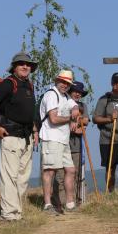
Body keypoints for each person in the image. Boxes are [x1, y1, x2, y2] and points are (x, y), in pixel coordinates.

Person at [0, 52, 38, 221]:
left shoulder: (29, 85)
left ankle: (16, 212)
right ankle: (8, 214)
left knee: (22, 177)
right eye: (21, 63)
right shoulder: (8, 84)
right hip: (10, 135)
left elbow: (29, 112)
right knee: (9, 176)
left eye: (28, 64)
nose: (25, 66)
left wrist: (35, 131)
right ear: (14, 66)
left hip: (26, 137)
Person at [39, 69, 80, 214]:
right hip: (51, 138)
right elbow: (54, 119)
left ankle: (70, 204)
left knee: (70, 170)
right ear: (57, 81)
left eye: (67, 83)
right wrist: (71, 118)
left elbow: (73, 105)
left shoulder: (65, 96)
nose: (64, 85)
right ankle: (48, 205)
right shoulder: (52, 95)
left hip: (63, 140)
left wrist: (75, 109)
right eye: (62, 81)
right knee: (50, 171)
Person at [51, 81, 89, 211]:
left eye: (80, 92)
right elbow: (57, 120)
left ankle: (76, 201)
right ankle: (60, 202)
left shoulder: (83, 105)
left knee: (76, 175)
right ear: (70, 91)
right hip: (62, 144)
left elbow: (85, 121)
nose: (77, 94)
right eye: (75, 91)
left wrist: (76, 121)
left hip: (77, 146)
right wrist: (75, 122)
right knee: (60, 175)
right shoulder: (62, 103)